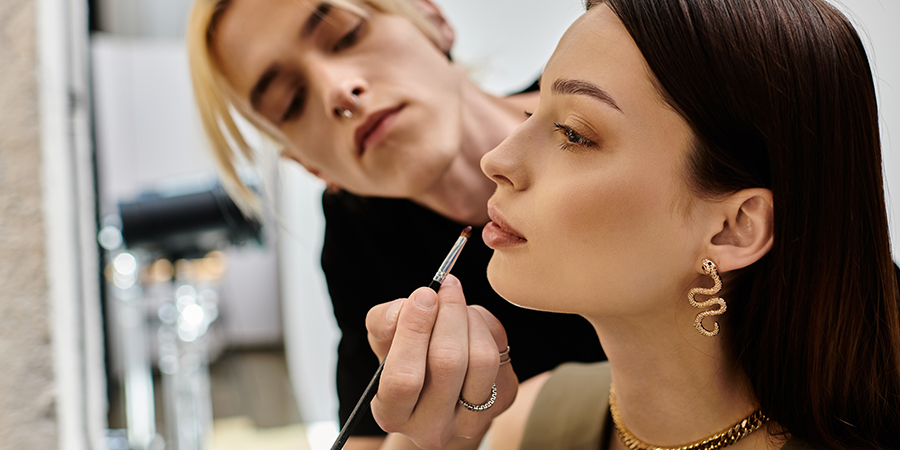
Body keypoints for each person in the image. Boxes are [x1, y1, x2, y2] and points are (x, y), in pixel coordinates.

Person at [364, 0, 900, 449]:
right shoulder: (524, 426)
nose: (496, 160)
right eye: (533, 113)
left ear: (733, 229)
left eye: (574, 133)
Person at [185, 0, 604, 447]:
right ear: (309, 166)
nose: (338, 92)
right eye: (291, 102)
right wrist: (435, 437)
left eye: (346, 36)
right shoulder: (361, 236)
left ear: (433, 20)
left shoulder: (616, 97)